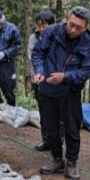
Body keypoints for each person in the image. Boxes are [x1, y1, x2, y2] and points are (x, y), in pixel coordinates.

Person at [31, 6, 90, 180]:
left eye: (78, 27)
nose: (73, 29)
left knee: (72, 130)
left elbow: (88, 70)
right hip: (46, 89)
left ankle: (71, 163)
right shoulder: (52, 32)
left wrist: (65, 77)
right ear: (66, 20)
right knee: (50, 128)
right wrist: (39, 71)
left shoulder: (88, 43)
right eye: (71, 25)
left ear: (86, 27)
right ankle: (57, 160)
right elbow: (37, 53)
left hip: (69, 92)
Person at [27, 9, 57, 151]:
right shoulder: (34, 38)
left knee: (57, 114)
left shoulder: (57, 37)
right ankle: (46, 140)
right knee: (44, 112)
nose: (40, 29)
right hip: (39, 80)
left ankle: (57, 141)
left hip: (55, 80)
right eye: (38, 25)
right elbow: (33, 55)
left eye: (43, 25)